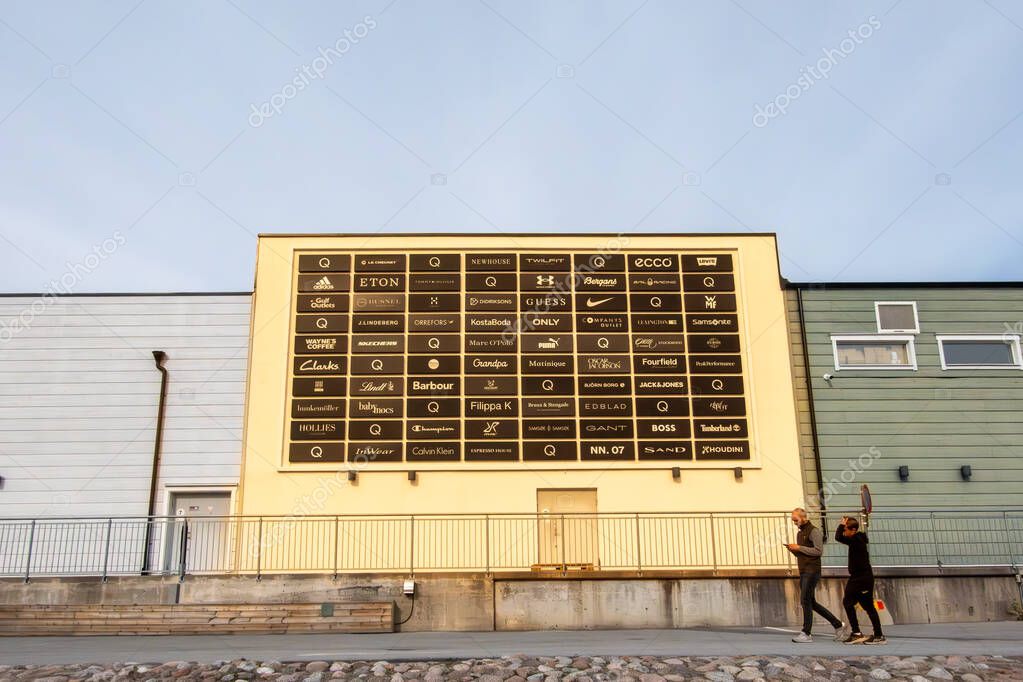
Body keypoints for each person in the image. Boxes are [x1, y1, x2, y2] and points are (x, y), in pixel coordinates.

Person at [785, 508, 845, 643]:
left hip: (812, 570)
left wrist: (799, 548)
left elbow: (818, 551)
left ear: (803, 518)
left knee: (805, 601)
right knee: (811, 602)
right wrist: (794, 550)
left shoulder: (814, 531)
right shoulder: (800, 533)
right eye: (793, 520)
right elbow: (804, 552)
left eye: (795, 520)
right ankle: (837, 624)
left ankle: (806, 633)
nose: (794, 522)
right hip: (804, 570)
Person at [835, 516, 886, 644]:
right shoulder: (856, 539)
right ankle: (858, 633)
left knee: (867, 606)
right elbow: (840, 537)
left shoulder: (856, 540)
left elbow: (838, 537)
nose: (844, 532)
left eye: (846, 529)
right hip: (857, 578)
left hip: (862, 579)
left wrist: (841, 525)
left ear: (853, 530)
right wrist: (843, 526)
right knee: (850, 603)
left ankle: (877, 635)